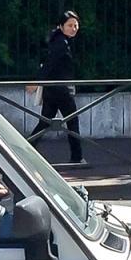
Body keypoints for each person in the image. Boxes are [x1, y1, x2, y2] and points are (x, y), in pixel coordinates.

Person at [26, 10, 85, 164]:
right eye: (70, 25)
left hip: (52, 89)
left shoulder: (59, 40)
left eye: (76, 25)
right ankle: (77, 158)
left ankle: (25, 149)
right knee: (72, 121)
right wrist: (36, 82)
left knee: (45, 122)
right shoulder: (61, 43)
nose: (74, 28)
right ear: (61, 26)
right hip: (60, 89)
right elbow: (49, 64)